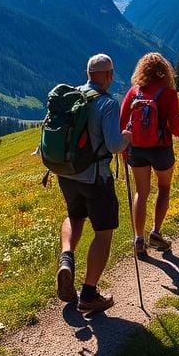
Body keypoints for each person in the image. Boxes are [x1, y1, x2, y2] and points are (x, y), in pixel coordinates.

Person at [56, 53, 130, 313]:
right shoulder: (108, 103)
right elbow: (113, 144)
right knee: (104, 231)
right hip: (95, 176)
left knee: (74, 216)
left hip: (66, 173)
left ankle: (66, 258)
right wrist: (127, 136)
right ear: (108, 75)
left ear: (89, 73)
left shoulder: (72, 96)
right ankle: (88, 294)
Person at [120, 52, 179, 257]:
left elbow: (122, 124)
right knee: (164, 187)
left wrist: (124, 149)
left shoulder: (133, 92)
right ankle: (156, 232)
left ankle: (138, 239)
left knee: (141, 192)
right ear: (165, 71)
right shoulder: (168, 94)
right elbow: (177, 129)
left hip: (136, 149)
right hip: (161, 148)